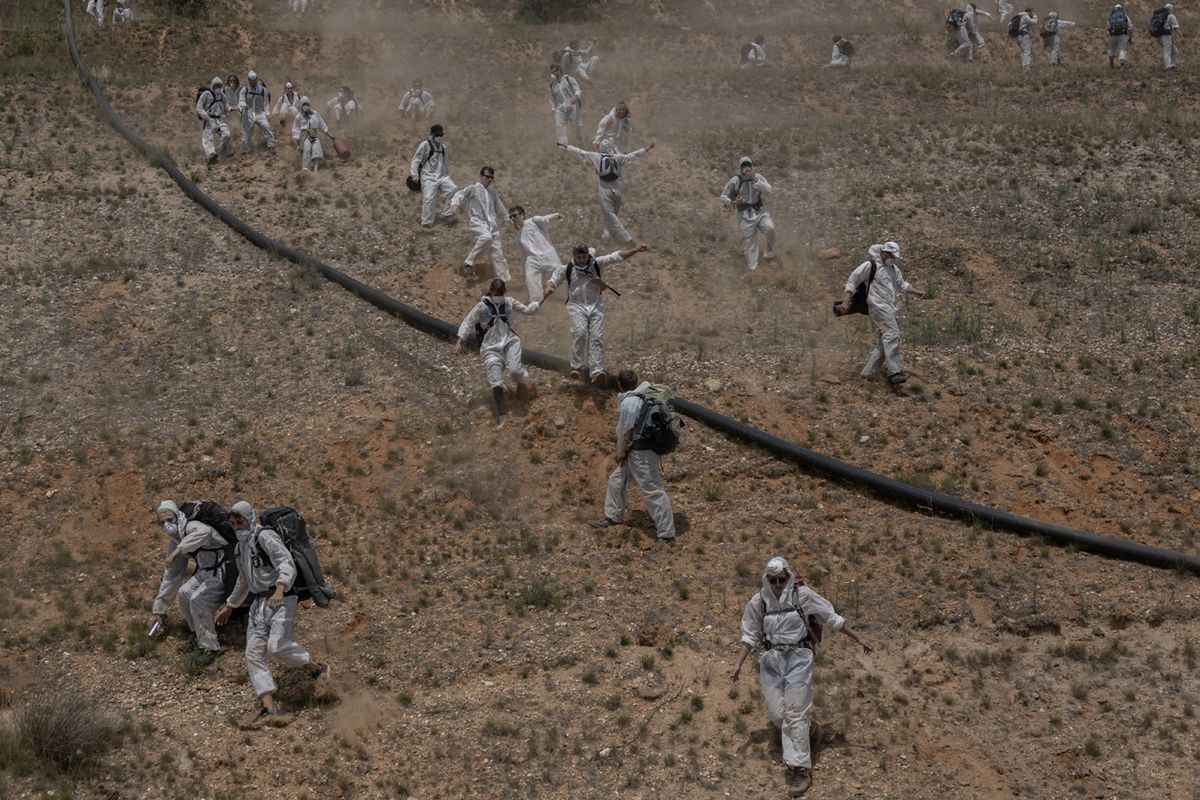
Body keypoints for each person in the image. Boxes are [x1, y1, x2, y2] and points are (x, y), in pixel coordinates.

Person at [729, 557, 873, 798]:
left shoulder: (802, 595)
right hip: (772, 660)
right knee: (778, 715)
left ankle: (800, 769)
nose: (777, 584)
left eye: (781, 579)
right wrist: (737, 665)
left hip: (798, 658)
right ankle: (811, 730)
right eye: (773, 580)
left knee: (795, 713)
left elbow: (831, 617)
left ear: (789, 576)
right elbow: (750, 634)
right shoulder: (759, 601)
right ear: (767, 579)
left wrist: (858, 638)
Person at [214, 501, 329, 728]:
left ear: (250, 518)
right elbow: (244, 580)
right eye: (233, 524)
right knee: (253, 653)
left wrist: (279, 589)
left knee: (276, 646)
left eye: (240, 521)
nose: (237, 527)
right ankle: (269, 708)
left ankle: (317, 668)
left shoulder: (265, 537)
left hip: (281, 599)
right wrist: (230, 605)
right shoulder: (240, 548)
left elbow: (286, 563)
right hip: (258, 605)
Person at [543, 242, 649, 383]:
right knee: (580, 332)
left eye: (584, 256)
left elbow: (616, 256)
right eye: (579, 257)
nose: (582, 260)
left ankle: (596, 371)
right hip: (577, 305)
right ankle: (576, 367)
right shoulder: (567, 268)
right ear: (574, 256)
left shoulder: (597, 263)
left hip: (596, 305)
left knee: (596, 336)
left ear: (588, 255)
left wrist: (635, 250)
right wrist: (549, 287)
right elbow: (554, 279)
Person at [590, 369, 676, 541]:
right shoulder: (646, 395)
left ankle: (667, 534)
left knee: (653, 491)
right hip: (643, 452)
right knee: (616, 481)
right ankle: (613, 517)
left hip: (640, 455)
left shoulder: (629, 402)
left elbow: (626, 434)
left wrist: (621, 453)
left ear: (619, 385)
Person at [454, 279, 541, 429]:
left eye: (501, 293)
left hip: (509, 342)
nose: (498, 296)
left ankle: (525, 383)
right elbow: (468, 322)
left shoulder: (509, 302)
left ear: (504, 292)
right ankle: (502, 417)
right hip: (490, 348)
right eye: (496, 293)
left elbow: (527, 310)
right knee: (496, 380)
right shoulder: (482, 306)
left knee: (514, 371)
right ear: (491, 291)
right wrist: (459, 341)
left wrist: (537, 304)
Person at [838, 241, 925, 389]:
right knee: (892, 335)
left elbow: (902, 285)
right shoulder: (870, 266)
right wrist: (846, 301)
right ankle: (894, 373)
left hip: (890, 309)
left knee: (885, 341)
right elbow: (853, 281)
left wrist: (916, 292)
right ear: (884, 252)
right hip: (877, 307)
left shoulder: (894, 269)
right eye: (891, 255)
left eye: (894, 256)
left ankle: (867, 373)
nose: (893, 258)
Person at [152, 500, 230, 658]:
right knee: (184, 593)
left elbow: (205, 533)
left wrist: (180, 549)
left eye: (170, 520)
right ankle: (198, 636)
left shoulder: (191, 526)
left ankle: (210, 649)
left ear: (177, 517)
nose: (167, 525)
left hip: (223, 569)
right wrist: (158, 610)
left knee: (198, 600)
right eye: (162, 522)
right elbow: (171, 576)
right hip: (205, 571)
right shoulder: (175, 541)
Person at [559, 139, 654, 245]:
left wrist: (567, 147)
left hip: (604, 190)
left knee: (611, 216)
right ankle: (607, 236)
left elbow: (581, 152)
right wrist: (646, 149)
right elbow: (632, 156)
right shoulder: (617, 157)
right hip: (617, 190)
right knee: (611, 216)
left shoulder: (596, 156)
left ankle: (626, 238)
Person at [449, 167, 510, 281]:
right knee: (486, 237)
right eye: (487, 176)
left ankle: (504, 282)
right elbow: (459, 195)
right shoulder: (473, 188)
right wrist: (454, 205)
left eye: (491, 177)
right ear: (481, 176)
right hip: (478, 223)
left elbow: (502, 211)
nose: (489, 179)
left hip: (493, 225)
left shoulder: (492, 194)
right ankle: (469, 263)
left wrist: (512, 221)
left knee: (498, 255)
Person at [721, 156, 776, 271]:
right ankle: (754, 271)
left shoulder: (758, 177)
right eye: (744, 166)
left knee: (770, 228)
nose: (746, 168)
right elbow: (723, 197)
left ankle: (769, 252)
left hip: (760, 211)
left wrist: (755, 179)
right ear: (740, 168)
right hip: (745, 215)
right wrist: (734, 202)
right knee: (750, 246)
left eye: (748, 165)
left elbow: (768, 189)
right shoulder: (735, 181)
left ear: (752, 166)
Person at [510, 206, 566, 302]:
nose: (513, 219)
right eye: (511, 217)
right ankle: (536, 301)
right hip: (533, 260)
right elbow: (523, 256)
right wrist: (523, 272)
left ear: (522, 215)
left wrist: (555, 216)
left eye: (514, 216)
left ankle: (563, 298)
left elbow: (545, 220)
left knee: (558, 275)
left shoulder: (534, 221)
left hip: (548, 255)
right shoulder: (519, 237)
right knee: (530, 276)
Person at [409, 124, 457, 228]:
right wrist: (414, 174)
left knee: (453, 189)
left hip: (442, 176)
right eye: (437, 135)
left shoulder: (443, 147)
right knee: (428, 198)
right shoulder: (425, 145)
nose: (439, 137)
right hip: (428, 176)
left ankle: (448, 214)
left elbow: (445, 162)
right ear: (432, 135)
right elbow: (416, 159)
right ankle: (426, 222)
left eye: (440, 135)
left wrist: (446, 175)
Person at [196, 76, 232, 167]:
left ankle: (221, 153)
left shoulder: (223, 96)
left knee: (226, 134)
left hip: (220, 120)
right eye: (216, 85)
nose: (218, 88)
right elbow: (199, 107)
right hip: (209, 120)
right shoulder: (206, 94)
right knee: (207, 137)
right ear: (212, 85)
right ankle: (211, 154)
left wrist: (232, 109)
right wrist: (205, 115)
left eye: (220, 86)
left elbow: (227, 108)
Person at [239, 70, 276, 154]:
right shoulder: (244, 90)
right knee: (246, 132)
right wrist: (244, 105)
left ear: (257, 79)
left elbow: (266, 103)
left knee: (266, 127)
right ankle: (244, 150)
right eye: (251, 80)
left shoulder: (263, 90)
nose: (253, 82)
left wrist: (267, 114)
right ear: (248, 80)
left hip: (260, 112)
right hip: (248, 112)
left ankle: (272, 146)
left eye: (254, 80)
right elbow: (241, 100)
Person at [549, 64, 583, 147]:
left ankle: (580, 143)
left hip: (572, 106)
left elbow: (577, 90)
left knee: (577, 127)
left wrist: (575, 97)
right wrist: (553, 110)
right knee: (559, 127)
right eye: (552, 72)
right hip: (560, 109)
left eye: (555, 71)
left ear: (560, 71)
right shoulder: (552, 85)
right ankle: (563, 146)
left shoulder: (569, 79)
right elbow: (552, 99)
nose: (554, 73)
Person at [291, 99, 329, 172]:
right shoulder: (299, 116)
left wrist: (327, 132)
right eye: (304, 104)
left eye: (307, 104)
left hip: (314, 134)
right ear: (301, 106)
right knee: (307, 148)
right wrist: (297, 140)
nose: (306, 106)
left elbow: (321, 124)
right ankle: (305, 168)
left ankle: (315, 170)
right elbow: (296, 128)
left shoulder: (315, 114)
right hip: (304, 135)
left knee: (317, 149)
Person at [1159, 4, 1181, 70]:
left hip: (1161, 35)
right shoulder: (1171, 16)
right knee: (1167, 50)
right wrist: (1181, 37)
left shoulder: (1161, 15)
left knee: (1174, 50)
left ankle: (1172, 65)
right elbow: (1176, 28)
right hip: (1166, 35)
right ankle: (1168, 67)